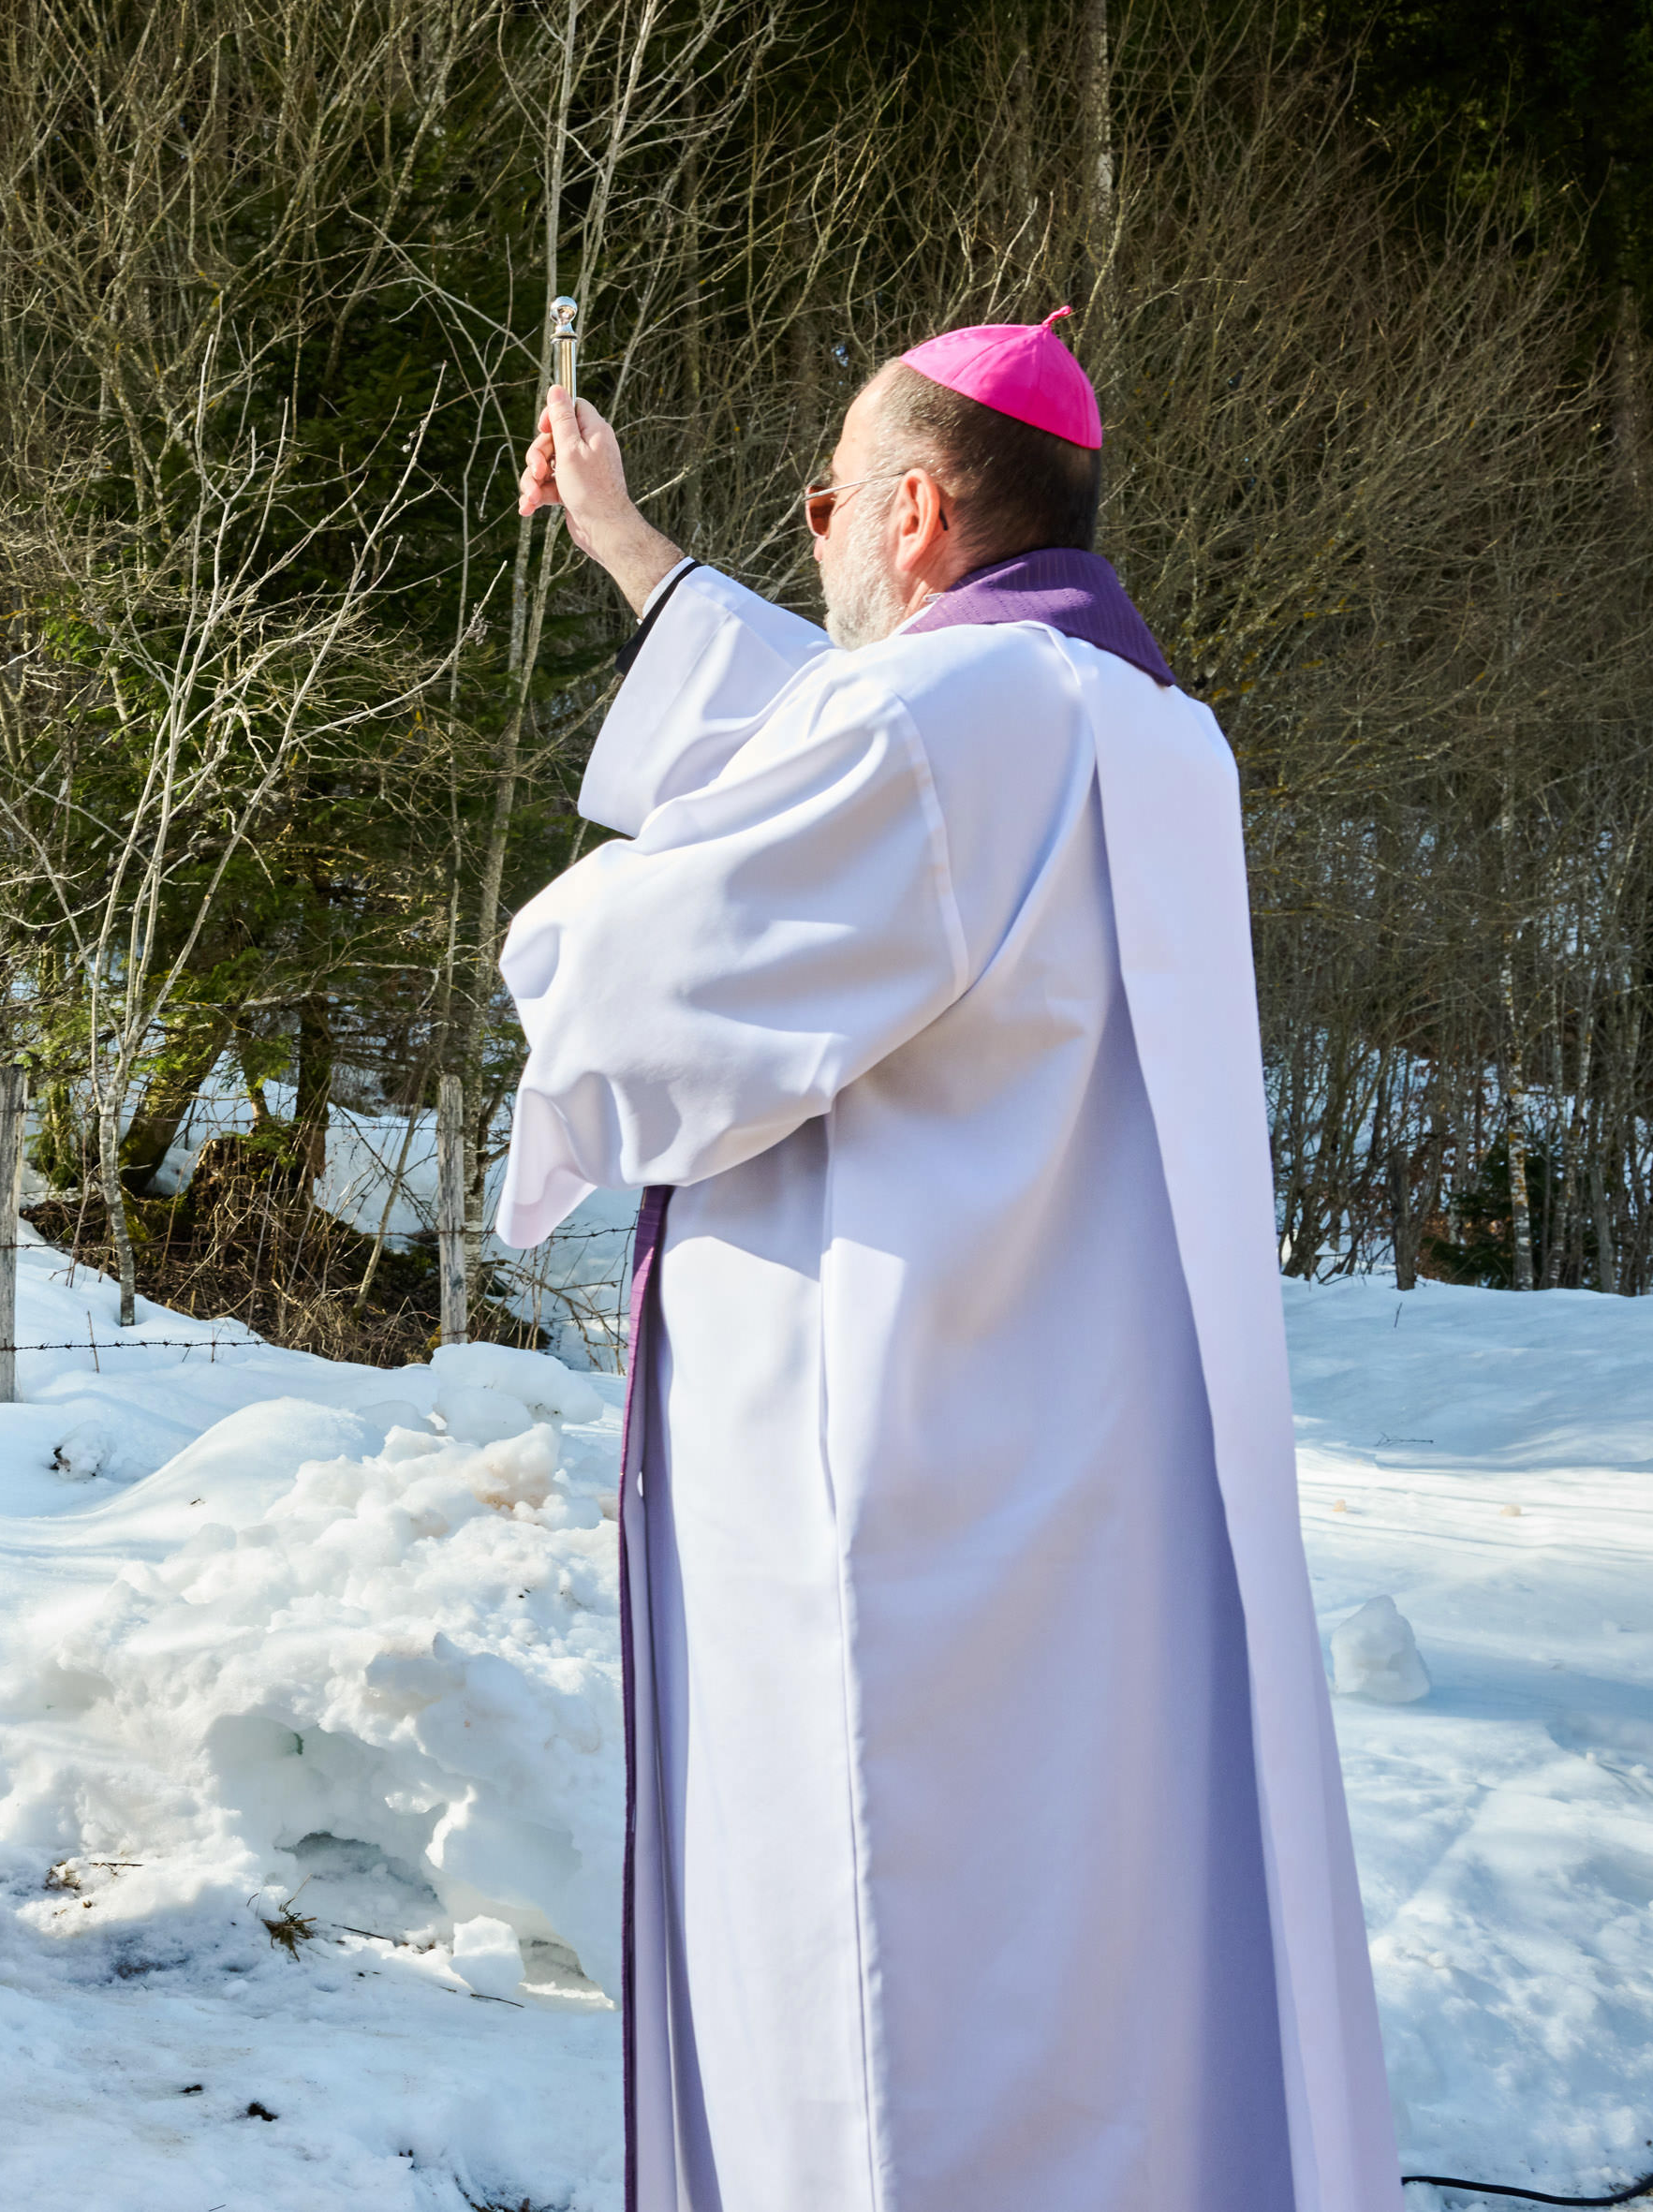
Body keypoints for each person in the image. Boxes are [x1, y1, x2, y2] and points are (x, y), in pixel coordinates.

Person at [498, 313, 1400, 2212]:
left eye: (825, 491)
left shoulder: (939, 731)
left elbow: (655, 968)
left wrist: (557, 947)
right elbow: (824, 740)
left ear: (910, 512)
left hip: (892, 1514)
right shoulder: (1147, 736)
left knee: (895, 1996)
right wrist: (627, 548)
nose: (807, 526)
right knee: (1105, 1969)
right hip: (1081, 1506)